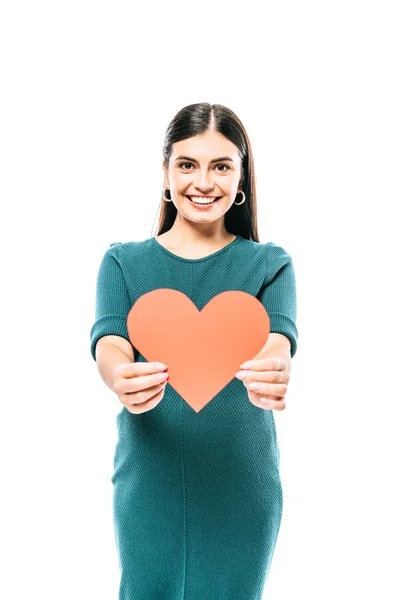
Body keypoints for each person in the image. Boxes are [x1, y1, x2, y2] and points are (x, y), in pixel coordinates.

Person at [90, 102, 298, 600]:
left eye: (220, 166)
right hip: (149, 487)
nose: (203, 182)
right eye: (187, 164)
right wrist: (120, 377)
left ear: (241, 177)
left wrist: (273, 367)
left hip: (241, 489)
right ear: (166, 174)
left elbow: (277, 341)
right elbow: (111, 342)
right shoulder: (123, 262)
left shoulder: (270, 265)